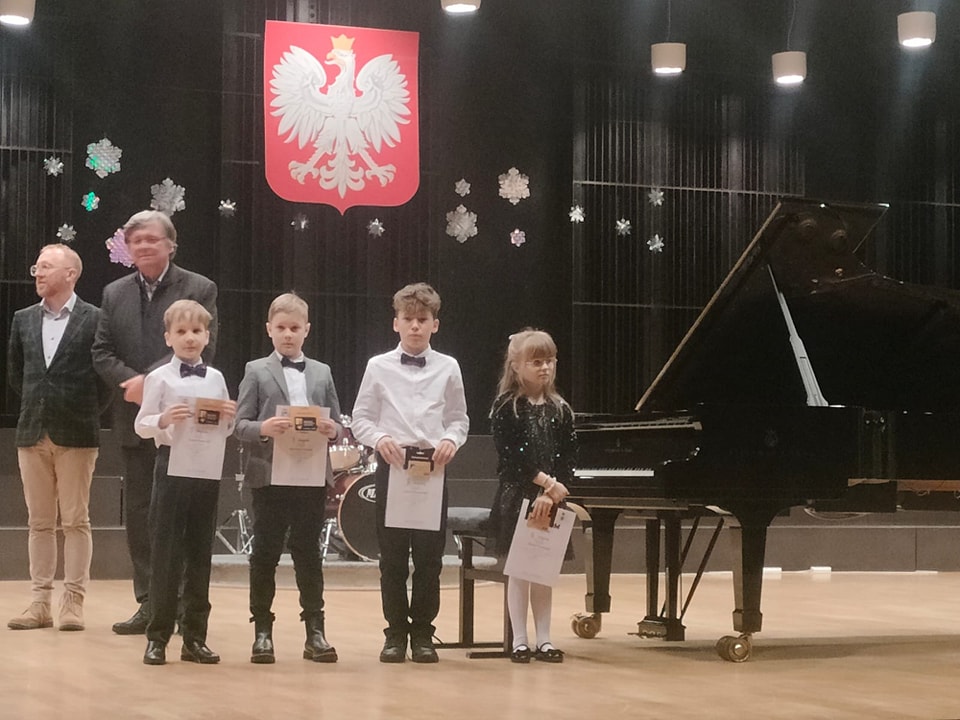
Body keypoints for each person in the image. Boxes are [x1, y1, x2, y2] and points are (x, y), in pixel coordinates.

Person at [92, 209, 218, 635]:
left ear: (170, 245)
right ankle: (149, 603)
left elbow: (204, 345)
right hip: (135, 417)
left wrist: (151, 382)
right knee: (142, 515)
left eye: (151, 238)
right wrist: (132, 382)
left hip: (184, 428)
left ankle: (182, 605)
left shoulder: (199, 287)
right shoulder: (114, 292)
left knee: (181, 517)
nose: (143, 246)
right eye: (136, 240)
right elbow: (101, 351)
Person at [351, 282, 469, 664]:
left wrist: (451, 439)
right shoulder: (378, 366)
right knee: (393, 559)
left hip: (433, 471)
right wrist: (380, 438)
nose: (415, 326)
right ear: (396, 323)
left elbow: (459, 419)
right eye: (409, 319)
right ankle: (395, 634)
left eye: (423, 319)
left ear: (435, 324)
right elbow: (360, 419)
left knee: (430, 559)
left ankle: (423, 634)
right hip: (394, 470)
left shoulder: (449, 367)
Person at [6, 244, 112, 632]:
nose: (38, 273)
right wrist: (43, 404)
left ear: (71, 274)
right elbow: (17, 374)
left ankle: (73, 601)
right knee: (39, 522)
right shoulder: (22, 319)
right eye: (36, 267)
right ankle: (39, 602)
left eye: (47, 267)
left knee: (75, 520)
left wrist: (76, 410)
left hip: (77, 432)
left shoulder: (95, 319)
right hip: (33, 429)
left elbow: (105, 383)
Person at [234, 292, 343, 664]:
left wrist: (332, 430)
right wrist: (263, 428)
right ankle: (262, 631)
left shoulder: (322, 372)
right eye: (281, 327)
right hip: (269, 476)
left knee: (308, 554)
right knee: (265, 554)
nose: (288, 334)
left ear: (307, 330)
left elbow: (338, 424)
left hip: (310, 476)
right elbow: (240, 425)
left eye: (295, 328)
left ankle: (315, 632)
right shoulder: (256, 370)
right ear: (269, 329)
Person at [133, 299, 235, 665]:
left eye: (196, 331)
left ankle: (194, 637)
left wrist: (228, 417)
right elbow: (141, 424)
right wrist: (162, 419)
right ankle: (158, 637)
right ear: (168, 337)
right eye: (181, 331)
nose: (189, 338)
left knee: (200, 554)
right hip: (172, 468)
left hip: (206, 470)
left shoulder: (216, 378)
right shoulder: (159, 377)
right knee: (166, 554)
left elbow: (225, 430)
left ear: (207, 336)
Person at [489, 329, 577, 664]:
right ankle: (520, 640)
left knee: (543, 571)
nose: (545, 368)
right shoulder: (506, 407)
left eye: (550, 361)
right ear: (517, 366)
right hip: (518, 496)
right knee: (521, 571)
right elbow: (510, 459)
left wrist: (554, 492)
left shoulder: (561, 409)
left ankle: (545, 639)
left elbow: (569, 458)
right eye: (536, 362)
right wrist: (546, 484)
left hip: (552, 499)